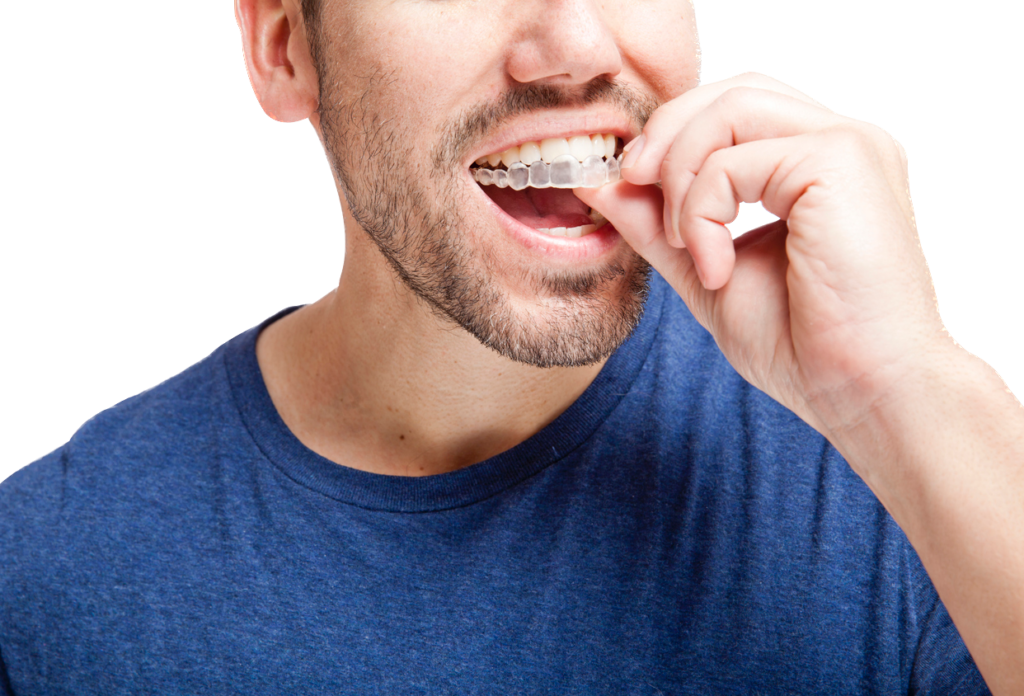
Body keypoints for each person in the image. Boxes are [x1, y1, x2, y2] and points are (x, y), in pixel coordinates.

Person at [2, 0, 1021, 693]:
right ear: (283, 48)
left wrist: (903, 388)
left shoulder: (910, 477)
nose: (575, 43)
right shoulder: (43, 567)